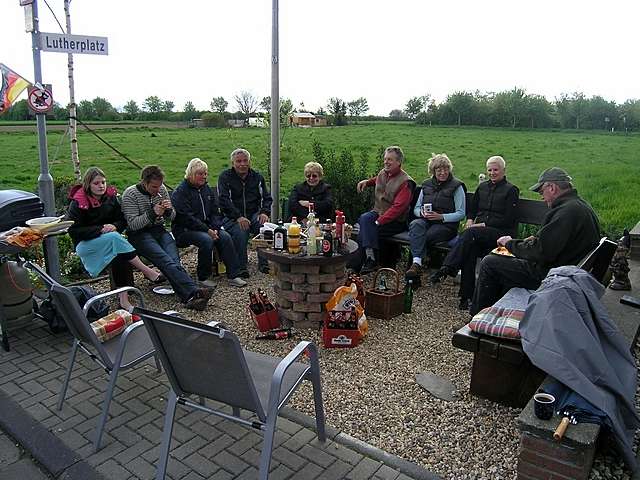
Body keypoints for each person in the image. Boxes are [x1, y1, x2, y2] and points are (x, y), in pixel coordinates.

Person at [470, 167, 601, 316]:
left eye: (541, 192)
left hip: (555, 276)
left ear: (551, 187)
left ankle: (476, 320)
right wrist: (529, 241)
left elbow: (541, 252)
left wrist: (509, 243)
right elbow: (550, 242)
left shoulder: (567, 211)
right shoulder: (578, 206)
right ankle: (497, 312)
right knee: (502, 261)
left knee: (489, 263)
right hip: (568, 271)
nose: (541, 197)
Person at [67, 167, 165, 312]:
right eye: (96, 183)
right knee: (115, 238)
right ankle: (147, 271)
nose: (101, 186)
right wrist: (100, 229)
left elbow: (122, 220)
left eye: (103, 182)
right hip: (86, 244)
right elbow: (73, 230)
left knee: (120, 256)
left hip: (110, 241)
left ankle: (124, 301)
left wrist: (113, 226)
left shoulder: (110, 198)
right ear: (88, 184)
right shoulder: (78, 202)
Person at [429, 156, 519, 310]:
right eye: (489, 170)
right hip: (480, 233)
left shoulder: (511, 190)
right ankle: (466, 297)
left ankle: (448, 267)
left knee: (470, 234)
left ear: (504, 170)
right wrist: (470, 220)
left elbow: (509, 219)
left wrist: (483, 224)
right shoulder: (483, 187)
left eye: (495, 170)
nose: (492, 173)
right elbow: (472, 208)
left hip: (502, 235)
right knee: (469, 250)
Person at [122, 165, 213, 311]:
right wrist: (153, 213)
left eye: (159, 186)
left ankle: (190, 297)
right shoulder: (130, 195)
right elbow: (132, 225)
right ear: (144, 183)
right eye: (153, 187)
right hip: (139, 234)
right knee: (164, 259)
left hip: (159, 230)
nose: (158, 190)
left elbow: (172, 217)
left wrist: (169, 210)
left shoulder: (161, 189)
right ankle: (193, 292)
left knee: (174, 260)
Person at [171, 158, 247, 288]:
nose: (203, 177)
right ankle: (203, 277)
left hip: (207, 228)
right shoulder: (181, 192)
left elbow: (215, 212)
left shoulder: (206, 189)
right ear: (191, 174)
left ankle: (234, 274)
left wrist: (215, 228)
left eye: (205, 173)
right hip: (184, 230)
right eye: (200, 174)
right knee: (206, 240)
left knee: (225, 237)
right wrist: (207, 230)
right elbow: (186, 218)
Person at [355, 146, 415, 274]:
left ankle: (359, 265)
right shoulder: (384, 173)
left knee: (365, 230)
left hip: (396, 221)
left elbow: (398, 208)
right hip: (378, 213)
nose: (386, 162)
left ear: (399, 162)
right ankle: (371, 260)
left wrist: (380, 221)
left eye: (390, 160)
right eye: (385, 159)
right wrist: (367, 182)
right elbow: (380, 180)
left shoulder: (406, 182)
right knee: (365, 219)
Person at [405, 153, 466, 280]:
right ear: (433, 171)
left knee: (423, 236)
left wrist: (441, 216)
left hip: (446, 225)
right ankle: (417, 263)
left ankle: (416, 265)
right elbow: (416, 208)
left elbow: (461, 213)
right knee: (415, 225)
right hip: (426, 221)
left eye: (446, 169)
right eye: (439, 169)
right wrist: (421, 213)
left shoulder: (457, 186)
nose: (443, 172)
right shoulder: (426, 185)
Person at [218, 148, 272, 275]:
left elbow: (267, 198)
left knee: (263, 226)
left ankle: (264, 263)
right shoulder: (225, 177)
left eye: (245, 161)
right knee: (241, 229)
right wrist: (238, 217)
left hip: (253, 214)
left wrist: (264, 212)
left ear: (249, 162)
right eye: (238, 161)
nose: (242, 164)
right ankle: (241, 266)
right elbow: (224, 201)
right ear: (233, 163)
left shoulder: (257, 177)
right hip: (231, 216)